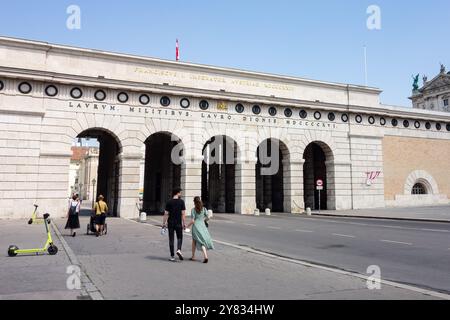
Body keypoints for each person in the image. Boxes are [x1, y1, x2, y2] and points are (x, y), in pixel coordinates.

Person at [186, 197, 214, 263]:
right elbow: (208, 217)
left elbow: (192, 221)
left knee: (194, 241)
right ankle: (205, 256)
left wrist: (187, 226)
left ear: (194, 202)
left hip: (196, 226)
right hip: (202, 226)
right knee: (202, 241)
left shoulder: (193, 210)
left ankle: (193, 256)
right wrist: (204, 220)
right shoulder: (204, 209)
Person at [162, 188, 186, 262]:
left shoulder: (169, 202)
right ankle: (178, 250)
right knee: (180, 237)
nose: (181, 194)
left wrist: (164, 223)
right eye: (180, 192)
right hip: (178, 223)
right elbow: (183, 214)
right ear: (177, 193)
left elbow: (166, 214)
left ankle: (172, 256)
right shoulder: (181, 202)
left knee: (171, 239)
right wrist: (184, 223)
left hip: (171, 223)